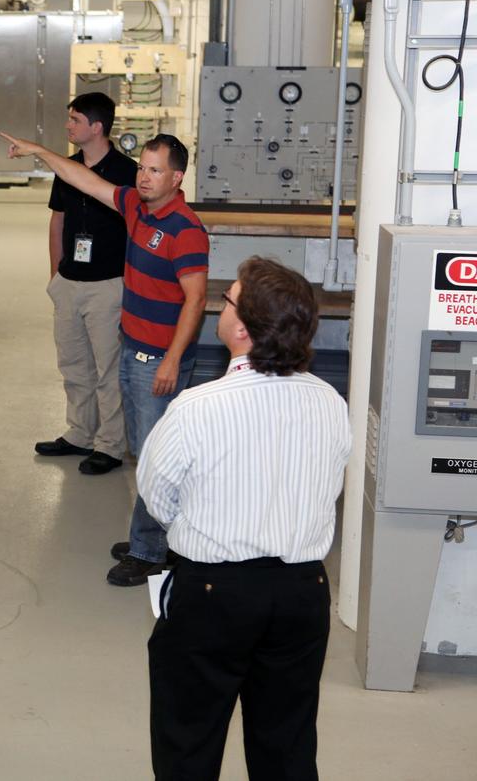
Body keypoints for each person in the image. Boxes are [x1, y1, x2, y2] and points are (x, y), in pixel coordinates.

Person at [140, 257, 350, 780]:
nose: (222, 301)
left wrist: (204, 526)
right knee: (287, 743)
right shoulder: (329, 402)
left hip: (213, 594)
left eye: (228, 297)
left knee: (188, 741)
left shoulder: (196, 406)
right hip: (303, 591)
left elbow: (157, 495)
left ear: (241, 327)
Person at [1, 130, 208, 587]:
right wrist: (41, 151)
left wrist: (173, 361)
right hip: (133, 352)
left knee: (156, 458)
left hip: (160, 361)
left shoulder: (186, 229)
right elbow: (84, 180)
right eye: (142, 168)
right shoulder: (137, 207)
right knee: (142, 451)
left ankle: (149, 550)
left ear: (177, 177)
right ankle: (159, 537)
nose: (145, 177)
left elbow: (195, 301)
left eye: (155, 171)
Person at [34, 93, 137, 475]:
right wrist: (54, 274)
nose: (68, 126)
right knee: (74, 364)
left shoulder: (129, 174)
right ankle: (80, 433)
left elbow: (137, 230)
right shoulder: (67, 168)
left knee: (108, 368)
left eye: (74, 120)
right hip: (69, 281)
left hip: (109, 285)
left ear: (96, 127)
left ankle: (110, 444)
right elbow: (57, 220)